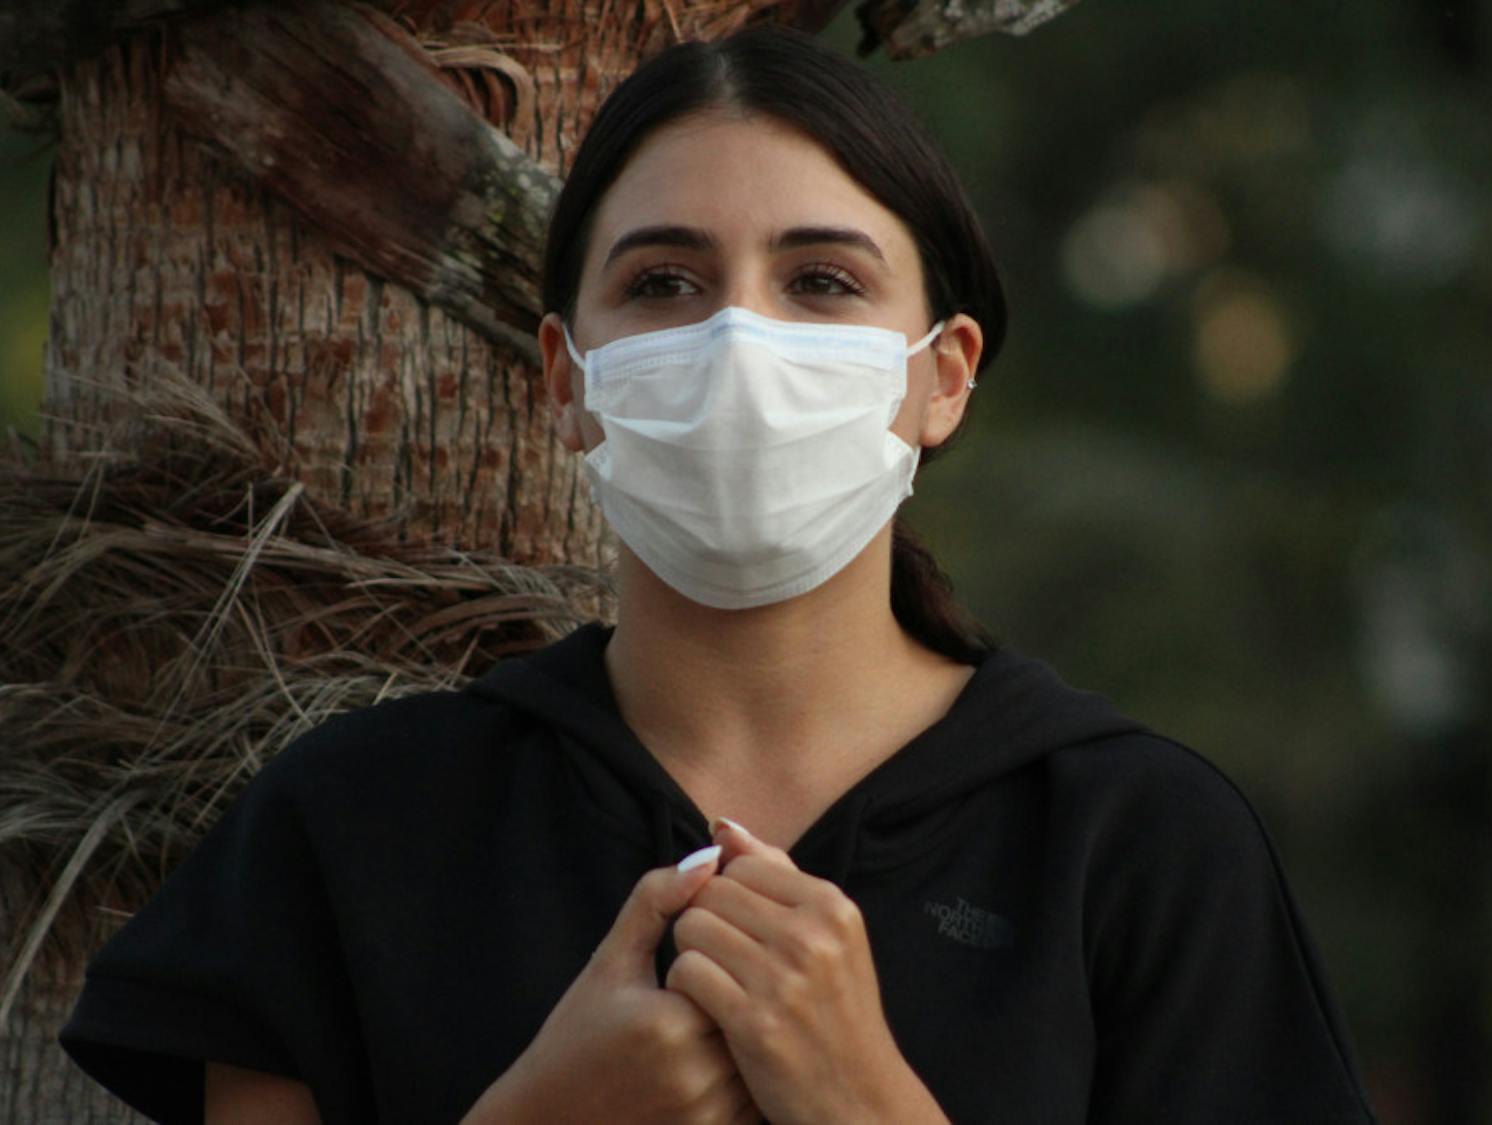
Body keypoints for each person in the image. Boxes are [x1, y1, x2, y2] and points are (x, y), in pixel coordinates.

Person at [60, 26, 1375, 1125]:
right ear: (567, 380)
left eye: (821, 280)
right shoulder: (348, 828)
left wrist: (868, 1101)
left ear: (944, 375)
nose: (739, 340)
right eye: (667, 279)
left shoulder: (1138, 844)